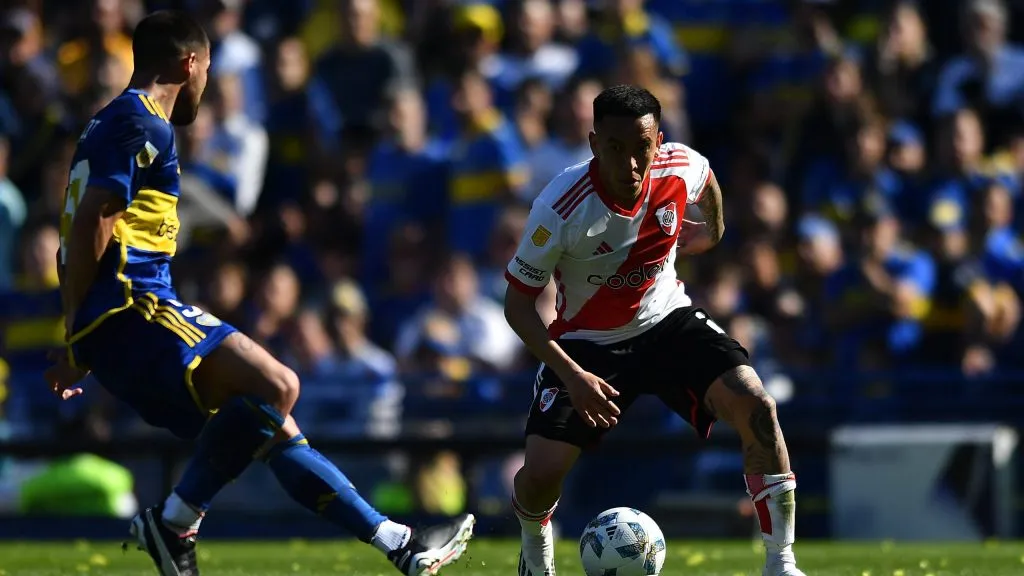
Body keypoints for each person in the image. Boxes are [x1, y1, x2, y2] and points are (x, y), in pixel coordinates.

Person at [43, 11, 474, 576]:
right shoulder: (143, 121)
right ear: (189, 63)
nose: (205, 84)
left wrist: (81, 334)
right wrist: (77, 331)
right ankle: (174, 522)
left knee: (273, 422)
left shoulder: (105, 123)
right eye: (207, 70)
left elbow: (83, 226)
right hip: (135, 305)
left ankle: (399, 545)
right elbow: (93, 222)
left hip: (121, 323)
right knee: (280, 384)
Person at [503, 85, 806, 576]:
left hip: (667, 321)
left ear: (658, 140)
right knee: (540, 475)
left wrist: (713, 231)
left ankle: (782, 563)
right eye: (615, 149)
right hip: (587, 346)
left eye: (642, 148)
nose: (630, 166)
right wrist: (573, 375)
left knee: (759, 408)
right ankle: (536, 557)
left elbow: (707, 181)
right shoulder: (559, 207)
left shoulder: (679, 165)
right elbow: (517, 306)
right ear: (594, 142)